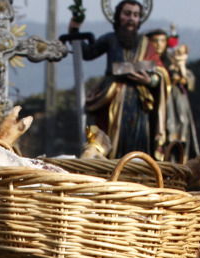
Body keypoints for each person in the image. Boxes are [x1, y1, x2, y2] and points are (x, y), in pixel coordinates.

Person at [72, 0, 169, 158]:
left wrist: (149, 81)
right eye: (127, 13)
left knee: (137, 146)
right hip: (112, 98)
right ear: (118, 17)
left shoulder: (146, 44)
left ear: (140, 20)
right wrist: (74, 30)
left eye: (136, 15)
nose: (132, 18)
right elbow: (87, 53)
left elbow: (161, 73)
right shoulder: (111, 39)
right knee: (106, 139)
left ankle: (136, 173)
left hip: (138, 104)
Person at [163, 42, 200, 163]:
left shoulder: (184, 72)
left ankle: (182, 159)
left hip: (181, 103)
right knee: (169, 127)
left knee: (183, 125)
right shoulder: (166, 71)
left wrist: (182, 68)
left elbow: (190, 83)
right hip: (169, 103)